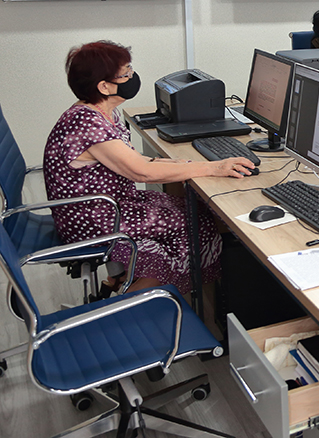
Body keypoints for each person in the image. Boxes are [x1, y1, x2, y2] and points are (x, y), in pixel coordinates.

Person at [43, 41, 256, 295]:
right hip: (95, 218)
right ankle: (130, 304)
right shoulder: (87, 124)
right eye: (126, 73)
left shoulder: (104, 112)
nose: (132, 76)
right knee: (196, 222)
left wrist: (180, 163)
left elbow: (132, 160)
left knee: (194, 209)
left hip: (111, 205)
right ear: (104, 86)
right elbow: (141, 172)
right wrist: (213, 167)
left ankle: (128, 283)